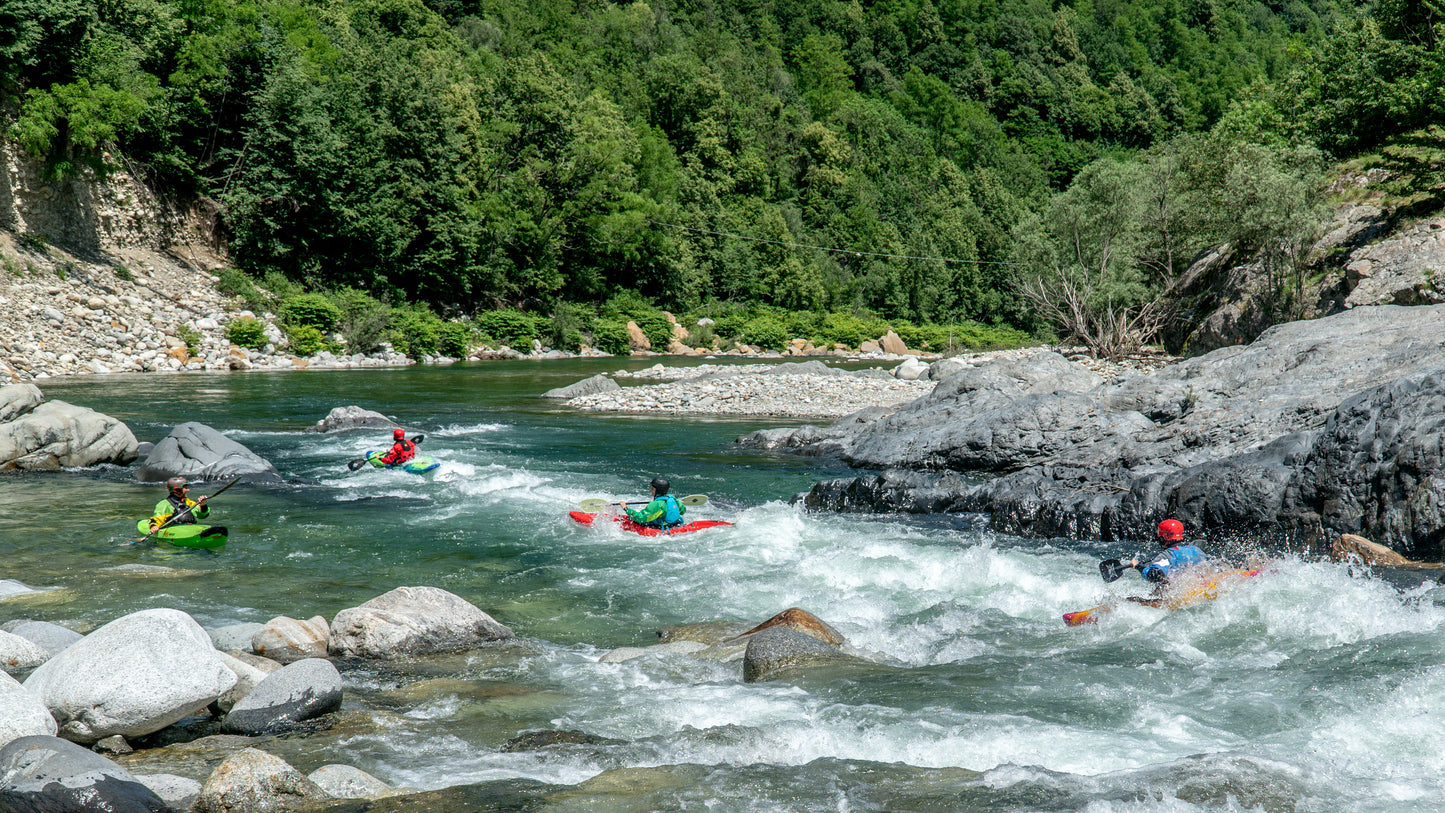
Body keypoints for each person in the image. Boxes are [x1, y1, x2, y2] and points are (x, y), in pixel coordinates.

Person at [1130, 519, 1207, 584]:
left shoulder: (1166, 556)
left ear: (1162, 539)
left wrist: (1137, 566)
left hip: (1176, 596)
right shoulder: (1196, 550)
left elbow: (1155, 576)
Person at [621, 477, 686, 530]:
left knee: (629, 519)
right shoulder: (672, 499)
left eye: (652, 488)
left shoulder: (657, 504)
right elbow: (683, 510)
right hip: (675, 525)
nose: (650, 490)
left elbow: (641, 518)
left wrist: (626, 509)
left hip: (663, 528)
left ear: (657, 490)